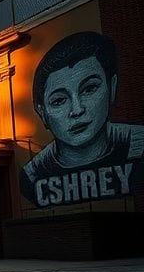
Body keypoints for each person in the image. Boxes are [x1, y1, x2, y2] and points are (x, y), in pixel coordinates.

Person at [20, 31, 144, 208]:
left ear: (112, 87)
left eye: (89, 89)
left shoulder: (139, 149)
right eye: (59, 100)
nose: (77, 110)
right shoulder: (31, 177)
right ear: (42, 113)